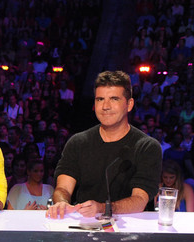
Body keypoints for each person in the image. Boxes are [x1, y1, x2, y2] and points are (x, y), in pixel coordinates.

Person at [47, 71, 162, 219]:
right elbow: (63, 188)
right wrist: (62, 203)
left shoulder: (147, 147)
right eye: (100, 99)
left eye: (114, 99)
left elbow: (139, 200)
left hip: (130, 227)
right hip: (83, 225)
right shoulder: (78, 142)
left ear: (129, 104)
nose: (105, 106)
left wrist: (102, 208)